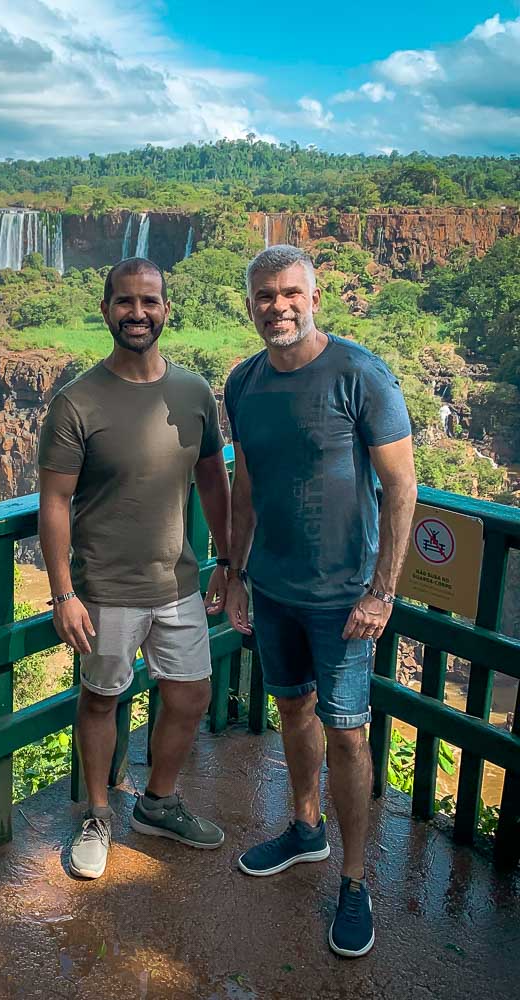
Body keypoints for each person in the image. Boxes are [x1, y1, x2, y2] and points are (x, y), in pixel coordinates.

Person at [223, 245, 417, 958]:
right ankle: (305, 830)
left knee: (348, 734)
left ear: (315, 296)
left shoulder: (360, 374)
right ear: (250, 306)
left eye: (291, 293)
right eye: (265, 296)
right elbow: (244, 484)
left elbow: (401, 486)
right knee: (294, 709)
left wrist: (382, 590)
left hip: (344, 600)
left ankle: (355, 880)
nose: (279, 306)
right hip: (272, 588)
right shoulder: (242, 382)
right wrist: (233, 569)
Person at [38, 257, 231, 880]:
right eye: (126, 302)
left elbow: (213, 481)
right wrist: (63, 592)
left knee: (190, 695)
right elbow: (55, 502)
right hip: (106, 587)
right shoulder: (77, 402)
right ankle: (97, 814)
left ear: (167, 309)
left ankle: (157, 803)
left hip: (178, 582)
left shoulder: (195, 393)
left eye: (149, 302)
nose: (138, 313)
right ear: (106, 310)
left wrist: (227, 559)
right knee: (101, 700)